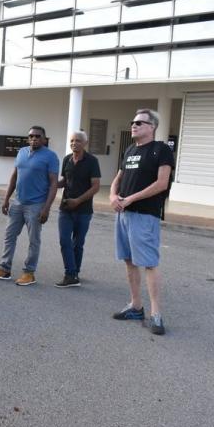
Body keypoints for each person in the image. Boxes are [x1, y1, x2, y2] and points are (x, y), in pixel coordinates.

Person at [110, 109, 173, 335]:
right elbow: (118, 178)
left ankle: (156, 314)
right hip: (123, 214)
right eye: (132, 121)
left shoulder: (161, 150)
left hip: (145, 215)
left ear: (152, 126)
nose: (134, 125)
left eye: (139, 122)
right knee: (129, 260)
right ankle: (136, 306)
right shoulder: (129, 150)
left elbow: (162, 183)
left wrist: (131, 199)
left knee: (149, 263)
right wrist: (113, 196)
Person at [0, 125, 59, 286]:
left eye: (38, 136)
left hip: (36, 205)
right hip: (18, 202)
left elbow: (53, 184)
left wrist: (46, 208)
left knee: (34, 240)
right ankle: (4, 269)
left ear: (44, 139)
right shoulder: (22, 152)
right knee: (9, 236)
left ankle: (29, 273)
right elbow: (14, 176)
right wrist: (6, 199)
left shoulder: (51, 156)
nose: (34, 139)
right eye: (31, 136)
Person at [55, 131, 101, 288]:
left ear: (85, 143)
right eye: (72, 140)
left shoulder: (92, 161)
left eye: (78, 141)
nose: (74, 143)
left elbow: (96, 186)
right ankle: (70, 274)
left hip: (84, 210)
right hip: (66, 208)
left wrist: (78, 201)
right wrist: (51, 184)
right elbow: (64, 181)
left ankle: (74, 272)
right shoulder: (67, 159)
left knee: (78, 243)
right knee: (64, 240)